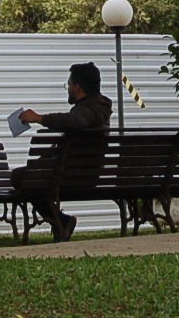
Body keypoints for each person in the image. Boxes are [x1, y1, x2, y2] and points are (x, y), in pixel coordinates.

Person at [12, 62, 113, 241]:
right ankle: (60, 220)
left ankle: (60, 220)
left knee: (21, 177)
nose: (68, 89)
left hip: (76, 175)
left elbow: (75, 121)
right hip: (86, 172)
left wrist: (39, 118)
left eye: (69, 84)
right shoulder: (98, 108)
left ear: (78, 87)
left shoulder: (88, 110)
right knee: (29, 176)